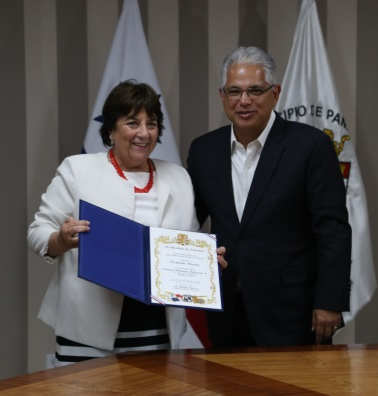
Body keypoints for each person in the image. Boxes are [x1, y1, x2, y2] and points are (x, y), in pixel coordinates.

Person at [28, 80, 226, 366]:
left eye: (151, 123)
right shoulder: (78, 170)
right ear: (111, 129)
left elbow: (186, 243)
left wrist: (205, 263)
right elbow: (37, 232)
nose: (144, 133)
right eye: (133, 123)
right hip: (85, 332)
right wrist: (60, 240)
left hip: (156, 332)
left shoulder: (179, 177)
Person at [186, 46, 351, 347]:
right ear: (222, 95)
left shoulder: (311, 146)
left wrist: (329, 301)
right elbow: (187, 221)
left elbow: (333, 229)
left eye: (255, 91)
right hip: (226, 309)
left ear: (275, 94)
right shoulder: (204, 150)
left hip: (292, 310)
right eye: (234, 91)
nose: (244, 101)